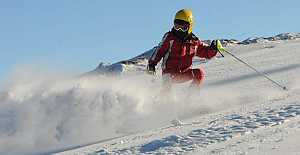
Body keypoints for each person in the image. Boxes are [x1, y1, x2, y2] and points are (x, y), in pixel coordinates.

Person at [147, 9, 224, 89]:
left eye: (183, 27)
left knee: (199, 73)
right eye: (177, 26)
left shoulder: (194, 41)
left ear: (190, 26)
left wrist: (213, 48)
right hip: (170, 73)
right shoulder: (170, 38)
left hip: (185, 73)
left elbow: (205, 52)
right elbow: (160, 50)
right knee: (168, 80)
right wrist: (152, 64)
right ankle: (164, 99)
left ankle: (191, 97)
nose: (179, 30)